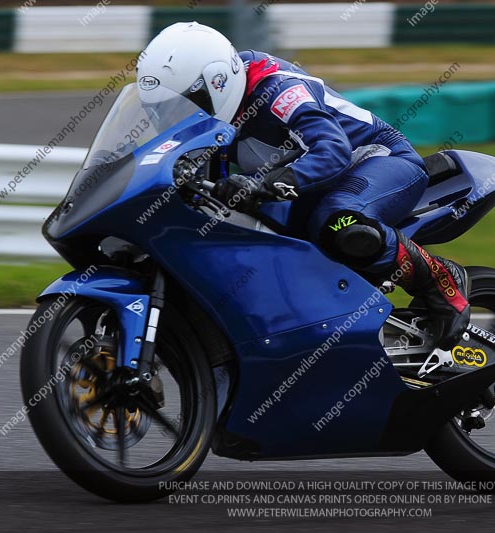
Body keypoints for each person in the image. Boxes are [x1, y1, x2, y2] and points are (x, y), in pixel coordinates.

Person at [137, 22, 470, 350]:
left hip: (376, 160)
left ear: (216, 82)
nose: (176, 117)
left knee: (340, 222)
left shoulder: (280, 91)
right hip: (309, 185)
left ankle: (440, 282)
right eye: (163, 110)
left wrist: (264, 184)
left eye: (184, 104)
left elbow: (332, 151)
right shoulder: (210, 118)